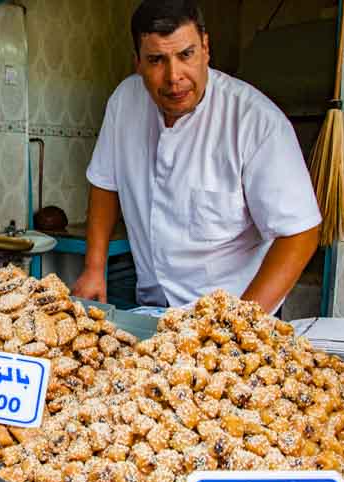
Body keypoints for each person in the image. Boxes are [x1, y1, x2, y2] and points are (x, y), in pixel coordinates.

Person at [73, 0, 321, 314]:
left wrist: (239, 323)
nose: (174, 76)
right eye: (156, 60)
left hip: (235, 309)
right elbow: (105, 183)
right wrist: (94, 267)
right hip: (152, 304)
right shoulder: (125, 102)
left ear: (205, 48)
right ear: (137, 62)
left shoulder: (255, 121)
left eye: (185, 55)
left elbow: (300, 233)